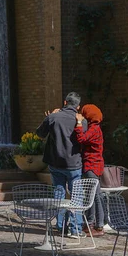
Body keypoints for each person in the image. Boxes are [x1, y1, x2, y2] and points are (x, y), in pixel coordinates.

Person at [36, 91, 84, 237]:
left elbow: (40, 134)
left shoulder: (53, 117)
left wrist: (48, 119)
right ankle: (76, 229)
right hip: (74, 164)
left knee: (59, 193)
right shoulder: (80, 120)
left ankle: (60, 225)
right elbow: (84, 139)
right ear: (78, 106)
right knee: (76, 196)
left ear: (64, 102)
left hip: (55, 163)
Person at [74, 104, 105, 237]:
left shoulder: (93, 129)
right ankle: (91, 223)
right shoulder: (96, 128)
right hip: (94, 165)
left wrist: (79, 123)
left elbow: (81, 138)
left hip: (92, 165)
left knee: (95, 196)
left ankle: (99, 225)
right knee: (92, 196)